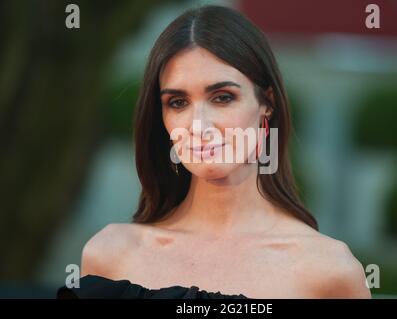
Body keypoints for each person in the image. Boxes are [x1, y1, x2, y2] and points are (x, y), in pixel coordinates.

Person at [58, 4, 371, 299]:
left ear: (267, 104)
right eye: (178, 102)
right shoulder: (110, 255)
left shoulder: (329, 270)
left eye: (222, 97)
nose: (199, 125)